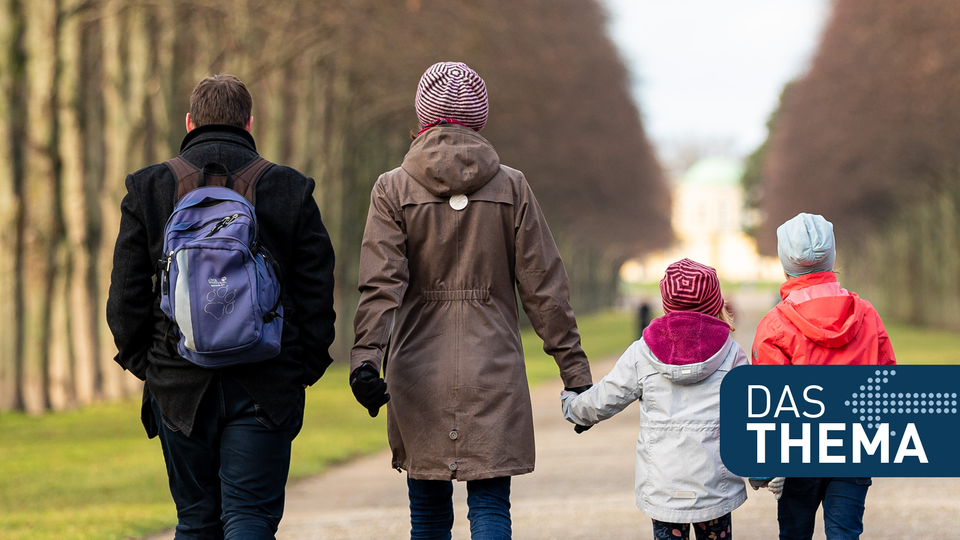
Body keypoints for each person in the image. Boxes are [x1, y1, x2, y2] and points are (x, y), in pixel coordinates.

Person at [349, 61, 592, 540]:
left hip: (417, 371)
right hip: (493, 369)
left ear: (422, 116)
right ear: (480, 119)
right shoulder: (512, 187)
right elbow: (545, 289)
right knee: (490, 508)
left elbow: (381, 284)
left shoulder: (391, 189)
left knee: (429, 514)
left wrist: (364, 359)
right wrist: (575, 373)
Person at [107, 74, 336, 538]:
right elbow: (317, 295)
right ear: (250, 124)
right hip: (266, 381)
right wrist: (299, 369)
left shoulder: (149, 187)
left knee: (195, 521)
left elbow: (125, 297)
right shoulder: (290, 188)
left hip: (178, 381)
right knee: (249, 517)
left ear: (189, 121)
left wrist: (150, 367)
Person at [562, 258, 748, 540]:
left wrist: (574, 407)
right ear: (715, 303)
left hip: (664, 487)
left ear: (666, 302)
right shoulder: (732, 354)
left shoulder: (643, 352)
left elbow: (604, 398)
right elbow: (751, 414)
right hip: (715, 485)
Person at [751, 212, 896, 540]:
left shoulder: (774, 324)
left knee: (794, 534)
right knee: (845, 534)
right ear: (831, 257)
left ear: (785, 261)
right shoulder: (867, 314)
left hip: (800, 451)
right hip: (854, 447)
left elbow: (769, 403)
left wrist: (764, 465)